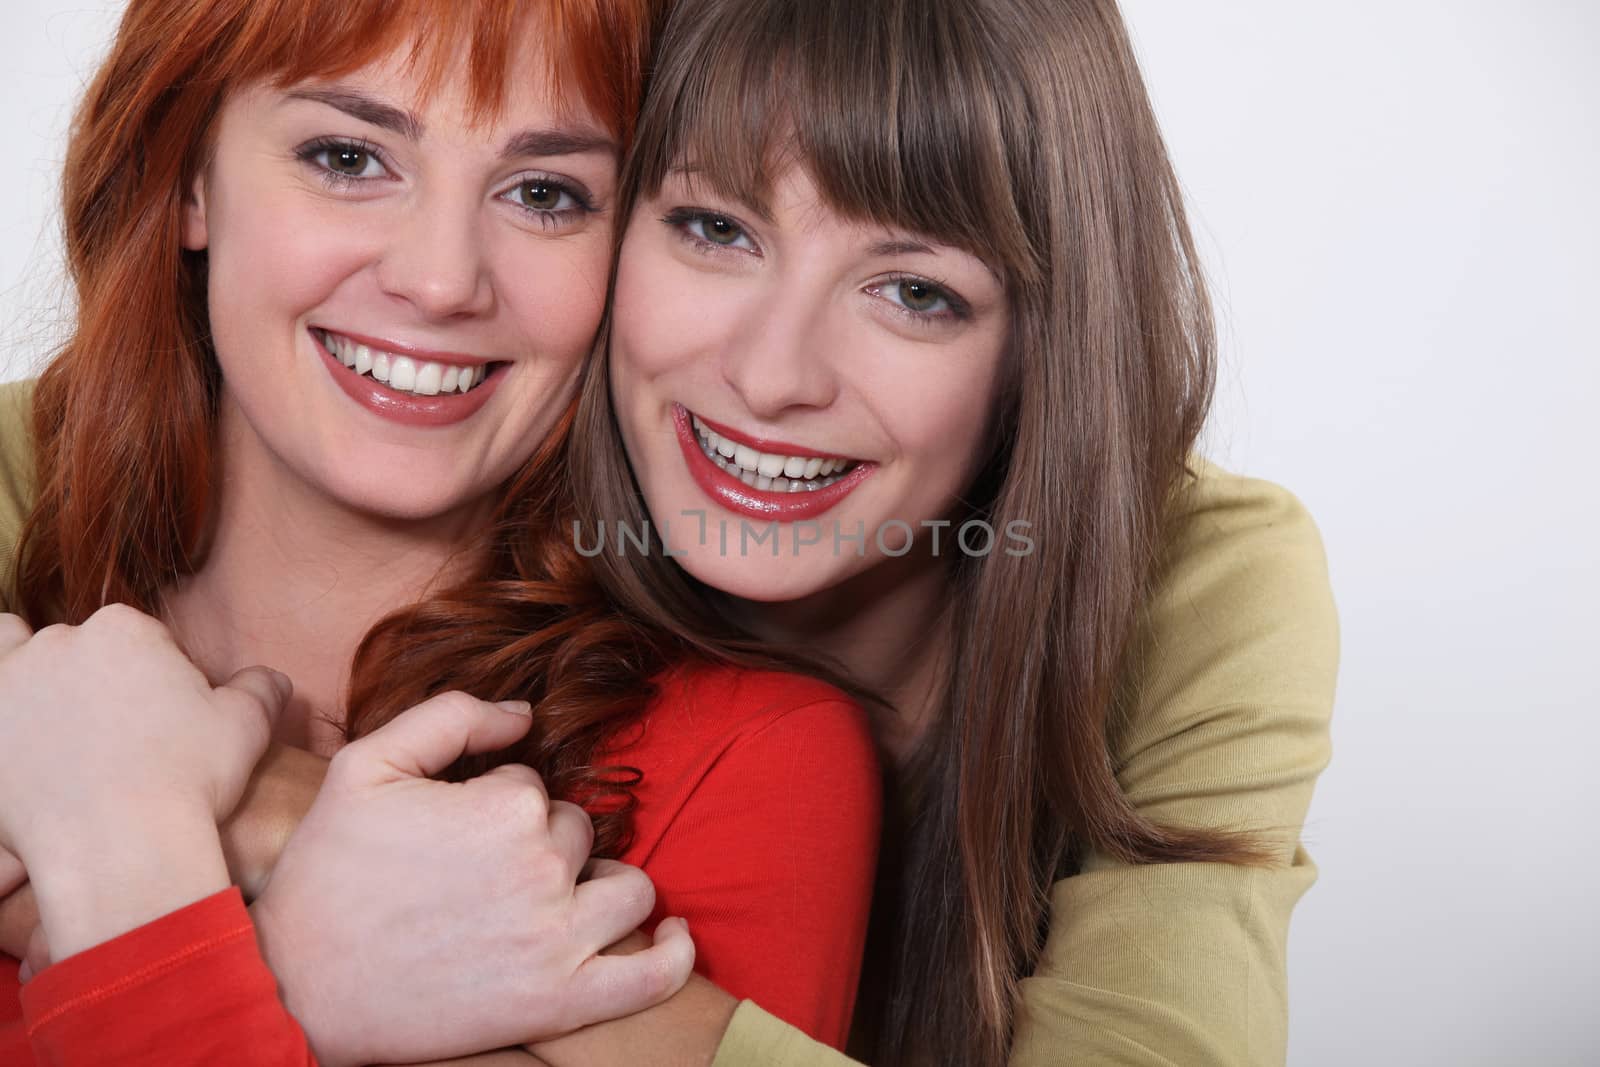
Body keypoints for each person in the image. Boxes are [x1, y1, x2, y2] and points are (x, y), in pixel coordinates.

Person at [10, 0, 1339, 1063]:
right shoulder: (37, 503)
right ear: (183, 175)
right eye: (713, 227)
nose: (771, 374)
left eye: (916, 291)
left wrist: (171, 854)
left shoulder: (1173, 596)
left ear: (1040, 356)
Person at [0, 0, 880, 1062]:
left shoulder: (749, 766)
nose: (440, 279)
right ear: (189, 176)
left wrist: (133, 847)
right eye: (346, 156)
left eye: (544, 193)